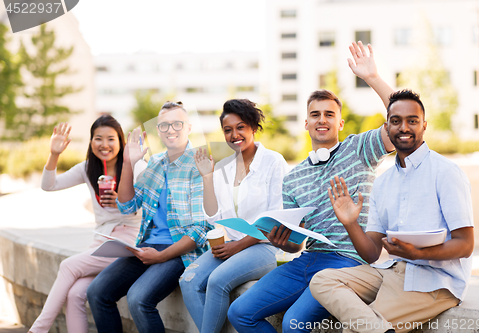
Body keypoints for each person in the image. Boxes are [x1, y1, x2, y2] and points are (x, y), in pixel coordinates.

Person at [228, 42, 395, 333]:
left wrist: (371, 77)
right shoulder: (293, 178)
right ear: (306, 123)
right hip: (306, 260)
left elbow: (401, 122)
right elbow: (297, 243)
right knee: (240, 312)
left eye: (329, 114)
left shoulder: (358, 150)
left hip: (348, 263)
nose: (322, 119)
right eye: (315, 114)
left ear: (340, 123)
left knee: (295, 324)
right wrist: (283, 241)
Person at [310, 90, 474, 333]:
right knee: (321, 280)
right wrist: (350, 223)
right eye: (396, 121)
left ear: (424, 125)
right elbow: (371, 253)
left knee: (353, 329)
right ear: (387, 128)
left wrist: (417, 253)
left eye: (412, 121)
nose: (404, 127)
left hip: (437, 282)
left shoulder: (446, 172)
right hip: (393, 271)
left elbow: (465, 244)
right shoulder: (383, 182)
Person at [86, 102, 211, 333]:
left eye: (177, 124)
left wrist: (161, 256)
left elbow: (200, 230)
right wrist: (127, 163)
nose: (170, 130)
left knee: (138, 299)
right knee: (96, 293)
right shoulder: (155, 163)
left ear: (189, 127)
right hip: (146, 247)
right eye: (164, 125)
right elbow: (127, 206)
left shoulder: (199, 163)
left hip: (179, 251)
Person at [179, 99, 289, 333]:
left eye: (240, 127)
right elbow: (213, 217)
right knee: (187, 281)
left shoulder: (273, 162)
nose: (234, 134)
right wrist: (207, 178)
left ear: (253, 127)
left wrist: (238, 246)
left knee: (217, 281)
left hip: (264, 246)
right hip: (229, 244)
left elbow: (275, 219)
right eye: (227, 130)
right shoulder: (223, 167)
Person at [28, 116, 143, 333]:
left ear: (120, 141)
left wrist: (124, 201)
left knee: (68, 265)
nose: (104, 145)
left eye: (111, 139)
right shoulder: (88, 168)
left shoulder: (134, 165)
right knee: (74, 294)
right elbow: (49, 185)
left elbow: (153, 208)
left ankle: (38, 329)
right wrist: (54, 154)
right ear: (91, 142)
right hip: (102, 241)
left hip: (129, 240)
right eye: (98, 139)